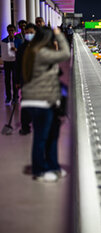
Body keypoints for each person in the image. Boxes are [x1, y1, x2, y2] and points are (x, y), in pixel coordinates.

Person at [21, 27, 70, 181]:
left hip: (45, 100)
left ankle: (53, 166)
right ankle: (39, 171)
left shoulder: (34, 51)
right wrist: (59, 34)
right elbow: (66, 54)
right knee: (42, 138)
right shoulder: (41, 53)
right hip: (40, 101)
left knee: (52, 135)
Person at [15, 23, 37, 135]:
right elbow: (17, 65)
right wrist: (17, 81)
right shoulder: (22, 48)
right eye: (27, 33)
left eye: (31, 33)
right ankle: (25, 126)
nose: (29, 35)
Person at [1, 24, 22, 105]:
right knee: (7, 80)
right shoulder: (4, 41)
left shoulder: (18, 40)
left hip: (15, 61)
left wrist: (16, 50)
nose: (11, 32)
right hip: (7, 62)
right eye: (9, 31)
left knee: (14, 79)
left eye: (12, 30)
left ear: (14, 31)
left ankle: (15, 97)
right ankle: (8, 97)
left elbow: (21, 51)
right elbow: (1, 51)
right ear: (7, 31)